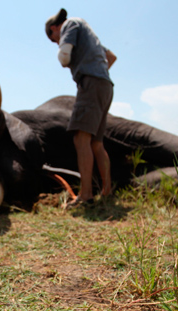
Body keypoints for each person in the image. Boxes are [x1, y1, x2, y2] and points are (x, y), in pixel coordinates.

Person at [45, 8, 117, 207]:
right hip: (105, 85)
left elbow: (64, 57)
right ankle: (107, 191)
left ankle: (85, 195)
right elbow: (111, 57)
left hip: (91, 84)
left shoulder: (70, 24)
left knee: (81, 138)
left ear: (54, 28)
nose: (56, 43)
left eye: (54, 40)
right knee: (96, 142)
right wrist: (96, 71)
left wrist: (67, 56)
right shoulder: (89, 34)